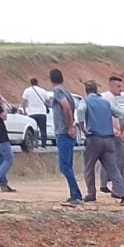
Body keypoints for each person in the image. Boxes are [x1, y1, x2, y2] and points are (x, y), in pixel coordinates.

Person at [79, 81, 124, 204]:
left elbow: (81, 112)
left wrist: (83, 130)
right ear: (96, 90)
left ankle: (91, 194)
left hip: (93, 138)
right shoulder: (105, 103)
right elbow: (120, 114)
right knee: (113, 168)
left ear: (86, 91)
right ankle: (122, 193)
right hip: (108, 139)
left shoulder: (85, 101)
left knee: (89, 167)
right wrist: (121, 129)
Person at [49, 69, 83, 206]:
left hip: (63, 131)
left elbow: (66, 107)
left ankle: (76, 194)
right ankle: (74, 193)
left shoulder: (58, 92)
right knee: (67, 165)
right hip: (66, 131)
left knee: (64, 166)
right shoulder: (67, 91)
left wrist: (69, 126)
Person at [98, 76, 124, 193]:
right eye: (118, 86)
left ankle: (104, 184)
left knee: (107, 160)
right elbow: (113, 117)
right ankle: (120, 188)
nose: (121, 89)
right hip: (112, 133)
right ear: (111, 86)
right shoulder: (108, 99)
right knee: (120, 160)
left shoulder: (107, 97)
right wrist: (120, 131)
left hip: (107, 133)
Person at [22, 77, 51, 147]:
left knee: (33, 129)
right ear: (37, 83)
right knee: (43, 129)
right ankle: (44, 144)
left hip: (32, 113)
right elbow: (48, 101)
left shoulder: (27, 91)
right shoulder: (43, 91)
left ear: (30, 83)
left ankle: (34, 143)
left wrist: (25, 110)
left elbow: (24, 102)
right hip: (42, 113)